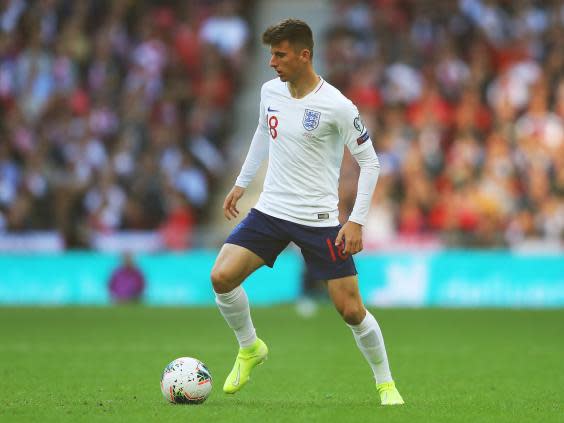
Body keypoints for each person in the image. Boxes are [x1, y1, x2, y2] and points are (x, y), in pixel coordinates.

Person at [210, 19, 404, 405]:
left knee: (350, 310)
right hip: (270, 211)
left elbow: (371, 163)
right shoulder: (270, 92)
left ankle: (386, 383)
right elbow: (263, 133)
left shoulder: (337, 106)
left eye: (279, 55)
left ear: (304, 55)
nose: (272, 63)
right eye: (270, 54)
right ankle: (250, 348)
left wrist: (356, 220)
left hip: (319, 220)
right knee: (221, 277)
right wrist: (242, 183)